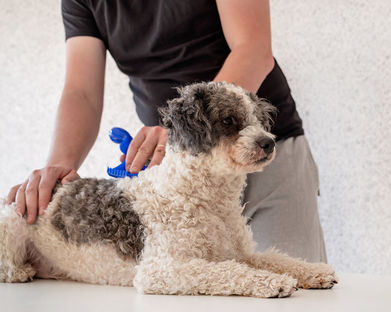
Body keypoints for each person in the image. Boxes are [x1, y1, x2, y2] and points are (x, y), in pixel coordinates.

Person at [7, 0, 327, 263]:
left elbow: (253, 49)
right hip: (179, 174)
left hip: (266, 157)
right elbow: (82, 93)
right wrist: (58, 172)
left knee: (292, 292)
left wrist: (183, 128)